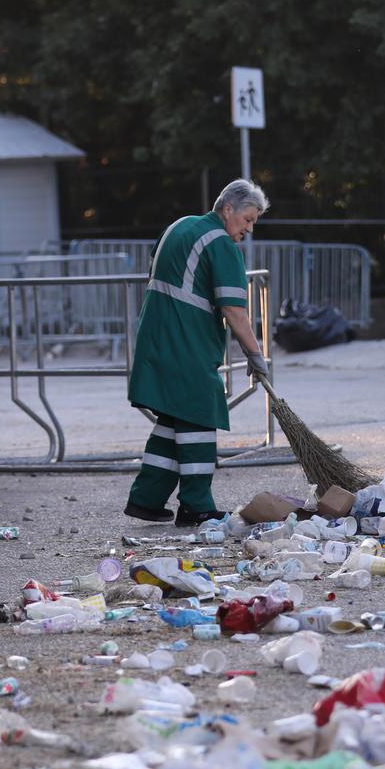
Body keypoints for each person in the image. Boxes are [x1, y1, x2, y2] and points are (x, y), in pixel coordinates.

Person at [123, 179, 272, 526]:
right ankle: (196, 505)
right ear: (227, 209)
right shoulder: (220, 243)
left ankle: (146, 499)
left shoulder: (181, 225)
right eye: (248, 220)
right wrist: (255, 353)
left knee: (174, 418)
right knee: (201, 415)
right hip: (184, 340)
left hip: (155, 334)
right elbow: (234, 310)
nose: (249, 229)